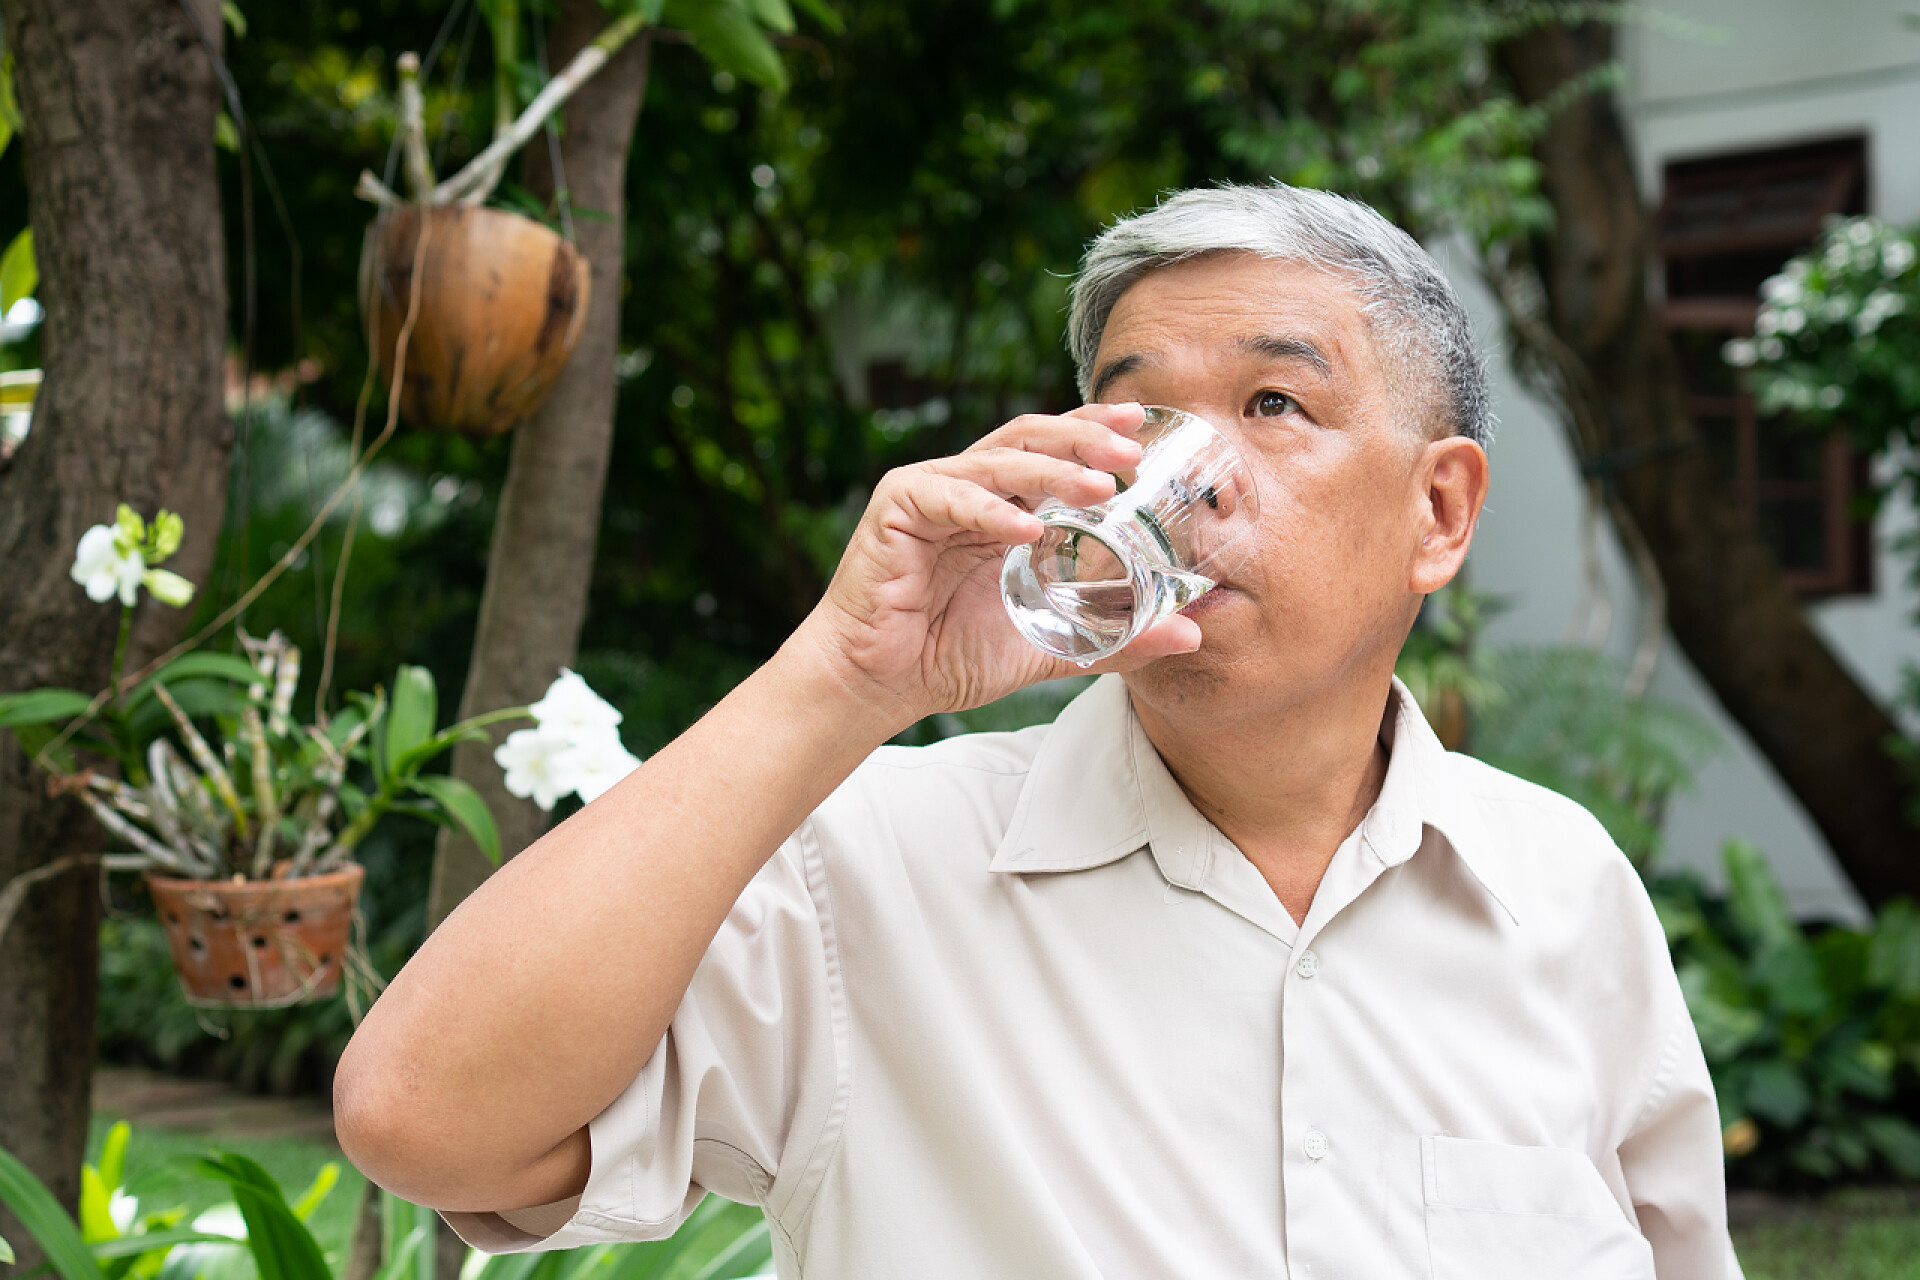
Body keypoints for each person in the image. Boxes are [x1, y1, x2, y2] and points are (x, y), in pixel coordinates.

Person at [334, 184, 1740, 1279]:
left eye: (1274, 403)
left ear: (1439, 512)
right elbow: (420, 1120)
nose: (1189, 484)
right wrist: (843, 674)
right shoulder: (871, 864)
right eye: (1140, 415)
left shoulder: (1559, 886)